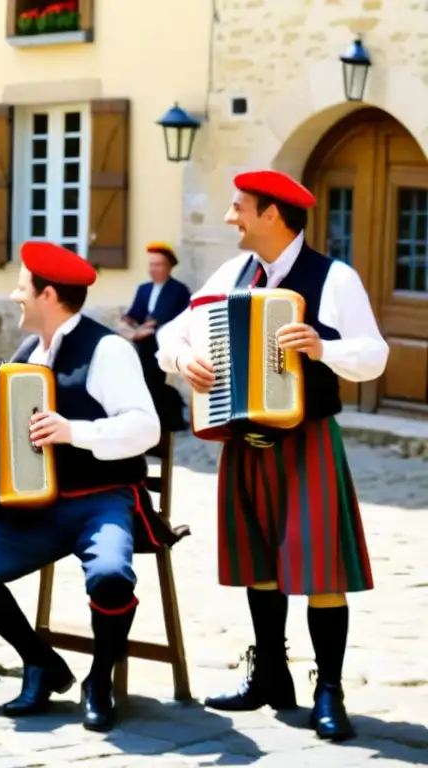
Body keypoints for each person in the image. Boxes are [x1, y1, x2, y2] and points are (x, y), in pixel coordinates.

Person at [0, 241, 187, 731]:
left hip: (102, 502)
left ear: (48, 295)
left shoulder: (109, 350)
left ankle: (98, 679)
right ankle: (41, 661)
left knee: (111, 577)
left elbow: (145, 428)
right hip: (32, 509)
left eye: (21, 289)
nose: (15, 297)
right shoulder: (25, 354)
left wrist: (74, 431)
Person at [156, 170, 387, 742]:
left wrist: (323, 346)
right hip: (243, 440)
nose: (231, 217)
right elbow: (170, 335)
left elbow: (374, 356)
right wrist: (182, 360)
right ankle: (271, 675)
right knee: (257, 562)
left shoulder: (334, 278)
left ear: (272, 215)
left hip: (307, 439)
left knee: (321, 568)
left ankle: (328, 690)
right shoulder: (232, 274)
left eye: (240, 208)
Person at [119, 242, 191, 432]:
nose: (154, 269)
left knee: (155, 383)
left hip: (163, 346)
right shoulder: (144, 289)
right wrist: (128, 323)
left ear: (168, 267)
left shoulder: (178, 289)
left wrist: (146, 327)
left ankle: (164, 419)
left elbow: (164, 317)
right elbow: (135, 313)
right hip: (143, 345)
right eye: (151, 265)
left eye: (159, 264)